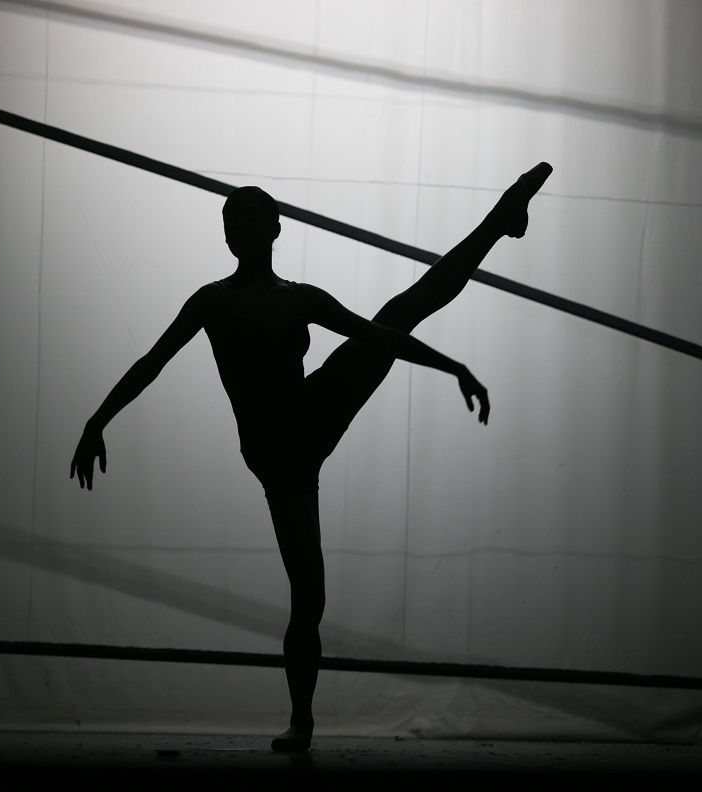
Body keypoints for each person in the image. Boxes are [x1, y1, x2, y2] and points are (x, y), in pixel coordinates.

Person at [71, 162, 553, 751]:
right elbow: (153, 361)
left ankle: (499, 220)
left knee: (400, 310)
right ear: (227, 235)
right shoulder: (212, 302)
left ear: (275, 228)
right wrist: (98, 419)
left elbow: (383, 338)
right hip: (277, 451)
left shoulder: (300, 299)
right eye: (232, 220)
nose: (240, 227)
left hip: (309, 415)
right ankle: (302, 718)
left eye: (252, 217)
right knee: (310, 594)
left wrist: (452, 366)